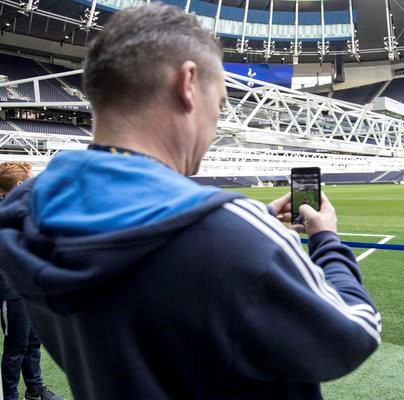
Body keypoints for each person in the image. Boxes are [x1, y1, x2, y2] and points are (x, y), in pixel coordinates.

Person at [0, 4, 380, 400]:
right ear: (188, 83)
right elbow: (354, 333)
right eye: (218, 105)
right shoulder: (232, 236)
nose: (215, 127)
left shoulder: (29, 211)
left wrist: (249, 226)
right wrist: (326, 241)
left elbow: (150, 274)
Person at [0, 162, 64, 400]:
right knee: (16, 346)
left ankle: (35, 390)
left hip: (32, 288)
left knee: (33, 342)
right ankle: (10, 396)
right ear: (19, 185)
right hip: (11, 290)